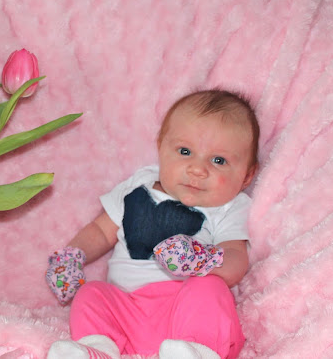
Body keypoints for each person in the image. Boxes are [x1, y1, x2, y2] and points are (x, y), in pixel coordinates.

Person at [45, 89, 260, 359]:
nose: (197, 169)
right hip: (126, 310)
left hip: (185, 312)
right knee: (91, 294)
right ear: (161, 147)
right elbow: (101, 230)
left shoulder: (230, 206)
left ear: (247, 175)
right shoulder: (138, 185)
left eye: (219, 160)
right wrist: (71, 256)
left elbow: (236, 258)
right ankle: (97, 349)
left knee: (208, 289)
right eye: (185, 151)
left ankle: (197, 351)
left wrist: (202, 260)